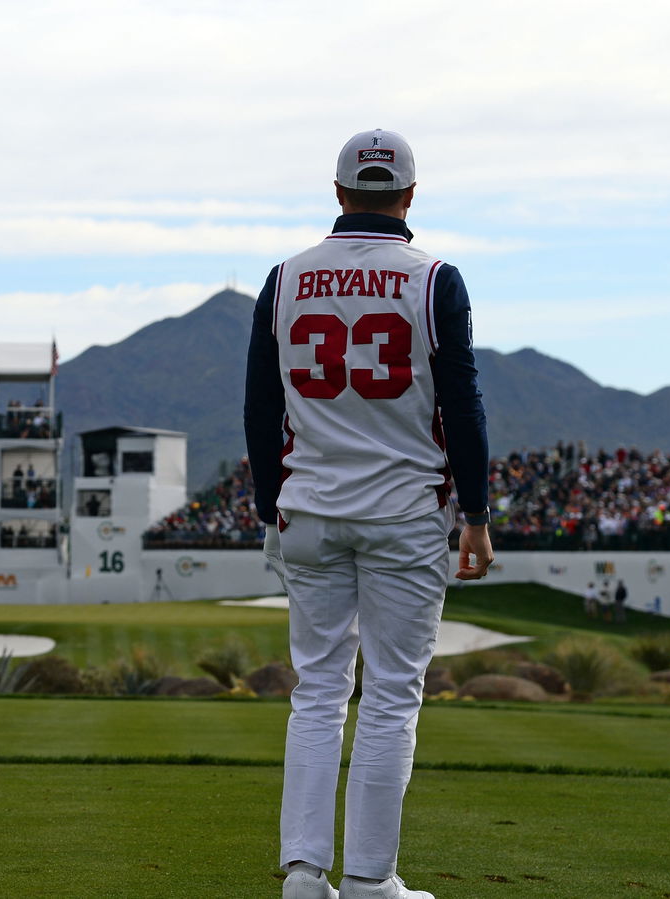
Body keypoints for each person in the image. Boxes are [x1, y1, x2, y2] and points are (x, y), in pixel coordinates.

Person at [245, 129, 491, 899]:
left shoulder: (284, 279)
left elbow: (260, 406)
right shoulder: (435, 279)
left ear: (339, 190)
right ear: (410, 196)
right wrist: (477, 511)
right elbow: (462, 402)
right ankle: (369, 881)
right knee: (389, 694)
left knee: (317, 691)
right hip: (403, 510)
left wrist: (267, 505)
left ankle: (303, 874)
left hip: (309, 506)